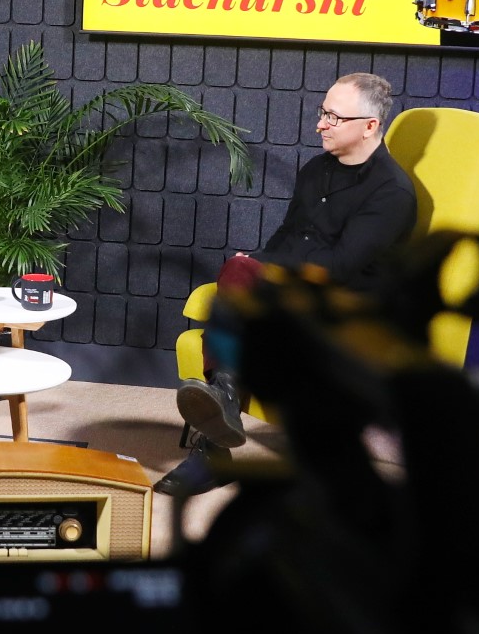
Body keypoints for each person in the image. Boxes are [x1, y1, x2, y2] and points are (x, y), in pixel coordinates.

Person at [156, 73, 417, 496]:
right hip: (293, 294)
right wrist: (259, 261)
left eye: (334, 117)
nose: (320, 124)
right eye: (323, 112)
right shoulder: (315, 170)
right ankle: (223, 403)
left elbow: (340, 266)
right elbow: (287, 238)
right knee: (238, 275)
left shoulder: (392, 192)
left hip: (344, 308)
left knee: (240, 283)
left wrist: (265, 270)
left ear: (370, 125)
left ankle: (218, 426)